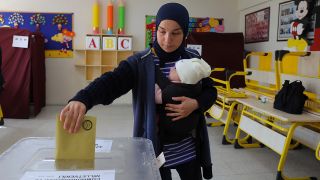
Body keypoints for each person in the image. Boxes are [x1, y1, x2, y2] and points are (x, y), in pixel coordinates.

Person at [60, 2, 217, 180]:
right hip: (155, 150)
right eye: (162, 31)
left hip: (189, 148)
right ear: (155, 29)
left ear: (185, 34)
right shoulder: (141, 62)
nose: (167, 39)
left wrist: (196, 104)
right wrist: (84, 98)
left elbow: (211, 91)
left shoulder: (193, 59)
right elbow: (113, 81)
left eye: (176, 33)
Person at [155, 58, 211, 144]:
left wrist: (154, 71)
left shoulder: (172, 92)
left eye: (175, 69)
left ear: (182, 78)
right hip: (188, 130)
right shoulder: (196, 87)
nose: (171, 69)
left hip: (170, 132)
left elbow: (154, 95)